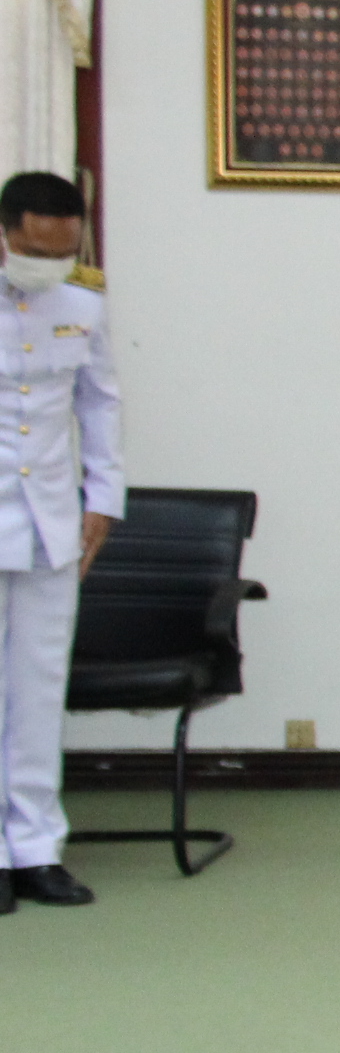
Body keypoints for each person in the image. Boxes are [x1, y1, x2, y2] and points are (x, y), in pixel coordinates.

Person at [0, 172, 116, 916]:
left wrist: (103, 499)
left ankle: (37, 850)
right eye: (37, 250)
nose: (51, 265)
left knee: (39, 694)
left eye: (64, 251)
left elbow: (100, 403)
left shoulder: (84, 305)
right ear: (8, 232)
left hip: (49, 523)